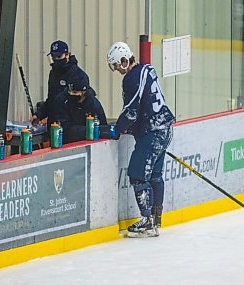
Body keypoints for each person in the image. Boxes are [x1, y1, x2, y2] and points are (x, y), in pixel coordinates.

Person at [107, 41, 175, 237]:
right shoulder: (147, 69)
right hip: (165, 127)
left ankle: (147, 220)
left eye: (117, 65)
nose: (117, 70)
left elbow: (131, 112)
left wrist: (116, 130)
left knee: (137, 174)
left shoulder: (131, 78)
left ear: (124, 60)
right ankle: (156, 218)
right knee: (155, 175)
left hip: (152, 132)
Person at [32, 40, 91, 126]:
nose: (56, 59)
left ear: (67, 55)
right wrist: (39, 115)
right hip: (54, 126)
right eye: (53, 57)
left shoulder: (78, 75)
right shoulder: (53, 74)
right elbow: (51, 100)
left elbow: (83, 104)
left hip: (71, 126)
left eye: (59, 56)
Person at [52, 74, 112, 144]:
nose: (72, 94)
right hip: (66, 143)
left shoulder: (93, 103)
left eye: (75, 92)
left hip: (90, 143)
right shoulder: (61, 101)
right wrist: (88, 131)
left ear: (84, 92)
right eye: (71, 91)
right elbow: (64, 128)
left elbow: (102, 126)